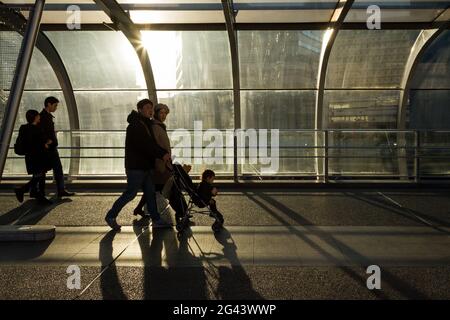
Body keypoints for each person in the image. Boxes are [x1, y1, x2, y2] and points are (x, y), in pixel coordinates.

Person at [105, 99, 171, 231]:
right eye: (147, 108)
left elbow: (149, 144)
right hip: (136, 167)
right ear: (140, 109)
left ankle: (156, 219)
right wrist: (162, 153)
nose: (150, 110)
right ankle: (111, 215)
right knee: (130, 193)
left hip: (145, 166)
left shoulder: (145, 124)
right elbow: (146, 145)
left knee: (150, 193)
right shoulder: (136, 125)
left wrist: (160, 153)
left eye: (151, 108)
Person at [133, 103, 190, 225]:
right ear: (156, 113)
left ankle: (139, 209)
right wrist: (164, 161)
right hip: (160, 164)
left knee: (153, 189)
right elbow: (156, 146)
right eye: (161, 113)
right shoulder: (155, 127)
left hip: (162, 163)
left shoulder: (159, 126)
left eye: (165, 113)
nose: (164, 115)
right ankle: (182, 212)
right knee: (172, 189)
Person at [14, 110, 52, 205]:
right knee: (38, 176)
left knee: (38, 176)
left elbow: (27, 142)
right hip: (38, 156)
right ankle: (22, 190)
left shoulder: (24, 128)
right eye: (38, 115)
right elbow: (40, 142)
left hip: (30, 156)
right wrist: (46, 143)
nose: (39, 117)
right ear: (35, 117)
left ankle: (37, 194)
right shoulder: (37, 129)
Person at [39, 96, 74, 198]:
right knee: (49, 170)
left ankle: (58, 190)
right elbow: (41, 131)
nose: (56, 108)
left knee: (51, 169)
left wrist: (52, 134)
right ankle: (59, 190)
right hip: (49, 148)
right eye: (55, 105)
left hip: (50, 147)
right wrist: (47, 140)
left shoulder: (46, 116)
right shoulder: (43, 116)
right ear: (49, 104)